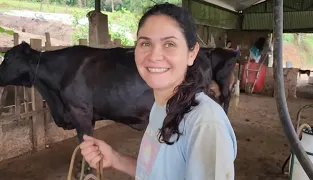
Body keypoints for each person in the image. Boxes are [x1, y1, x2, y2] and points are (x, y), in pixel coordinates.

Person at [79, 3, 237, 180]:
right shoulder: (161, 107)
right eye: (145, 43)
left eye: (169, 43)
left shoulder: (205, 123)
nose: (154, 56)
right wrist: (116, 159)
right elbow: (154, 173)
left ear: (191, 53)